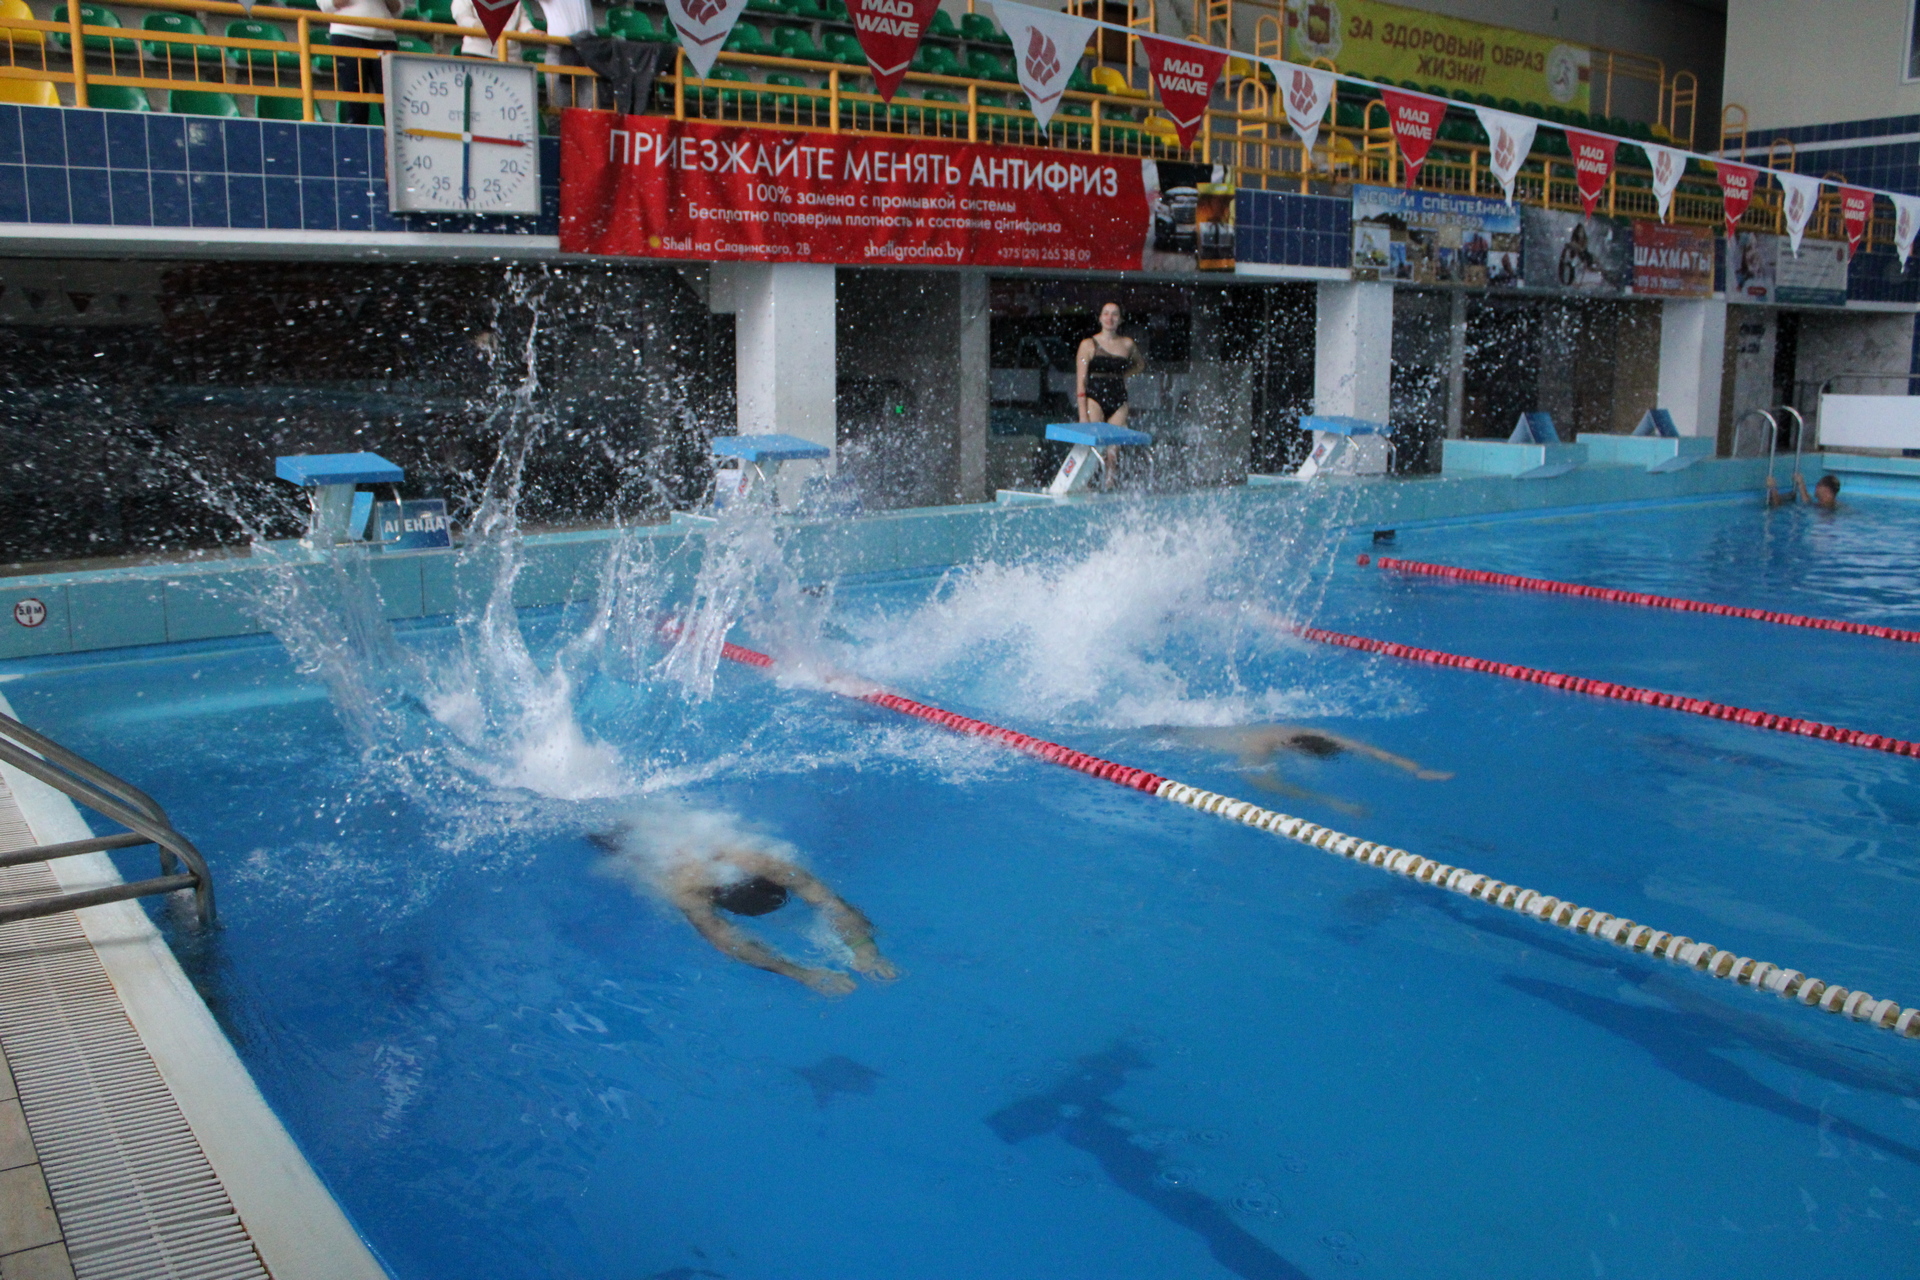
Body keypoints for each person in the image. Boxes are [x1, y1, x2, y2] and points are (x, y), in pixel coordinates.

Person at [591, 812, 898, 996]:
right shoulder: (688, 889)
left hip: (653, 826)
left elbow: (829, 903)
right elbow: (730, 944)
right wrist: (805, 973)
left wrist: (864, 949)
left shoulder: (753, 861)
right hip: (629, 839)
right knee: (602, 826)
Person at [1170, 723, 1452, 818]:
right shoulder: (1258, 748)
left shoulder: (1304, 732)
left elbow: (1364, 749)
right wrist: (1331, 802)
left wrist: (1416, 770)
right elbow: (1263, 783)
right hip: (1175, 739)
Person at [320, 0, 404, 125]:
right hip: (348, 35)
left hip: (385, 38)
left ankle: (394, 137)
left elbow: (398, 11)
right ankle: (358, 136)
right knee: (357, 103)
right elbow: (326, 6)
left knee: (392, 103)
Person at [1075, 302, 1145, 427]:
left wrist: (1124, 375)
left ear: (1120, 319)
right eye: (1106, 314)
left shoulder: (1127, 344)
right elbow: (1081, 382)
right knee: (1096, 436)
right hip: (1094, 398)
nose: (1110, 318)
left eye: (1114, 314)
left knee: (1115, 439)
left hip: (1119, 399)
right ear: (1100, 318)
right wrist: (1083, 416)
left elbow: (1140, 365)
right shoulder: (1088, 345)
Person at [450, 0, 536, 57]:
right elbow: (462, 17)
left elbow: (522, 20)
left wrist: (529, 30)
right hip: (478, 52)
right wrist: (477, 25)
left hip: (511, 57)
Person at [1766, 471, 1840, 509]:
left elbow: (1777, 507)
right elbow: (1807, 502)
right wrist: (1801, 483)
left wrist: (1773, 488)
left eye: (1818, 485)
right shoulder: (1831, 506)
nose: (1816, 487)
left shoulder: (1825, 511)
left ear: (1827, 491)